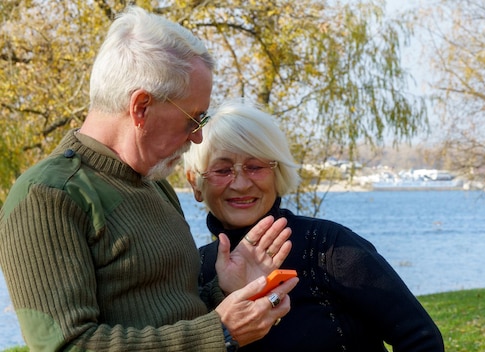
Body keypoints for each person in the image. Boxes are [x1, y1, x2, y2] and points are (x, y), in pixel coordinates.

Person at [0, 6, 297, 351]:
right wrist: (221, 333)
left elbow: (170, 313)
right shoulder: (49, 195)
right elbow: (68, 346)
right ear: (141, 106)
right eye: (194, 119)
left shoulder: (154, 184)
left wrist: (226, 289)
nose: (197, 137)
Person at [183, 99, 446, 351]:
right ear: (195, 182)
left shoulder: (328, 247)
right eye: (222, 170)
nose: (240, 184)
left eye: (255, 166)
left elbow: (420, 338)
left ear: (278, 173)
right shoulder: (194, 270)